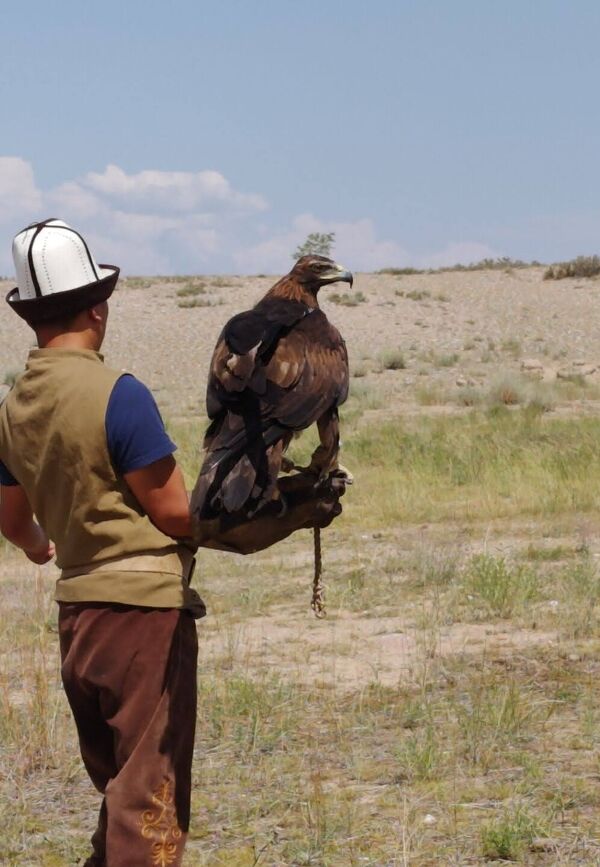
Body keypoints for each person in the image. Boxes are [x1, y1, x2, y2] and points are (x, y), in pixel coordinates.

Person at [0, 218, 346, 866]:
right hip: (143, 623)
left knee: (120, 794)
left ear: (29, 317)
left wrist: (42, 544)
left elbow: (13, 519)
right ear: (98, 307)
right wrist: (276, 508)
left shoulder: (14, 406)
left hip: (78, 622)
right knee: (149, 809)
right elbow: (174, 514)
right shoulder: (118, 396)